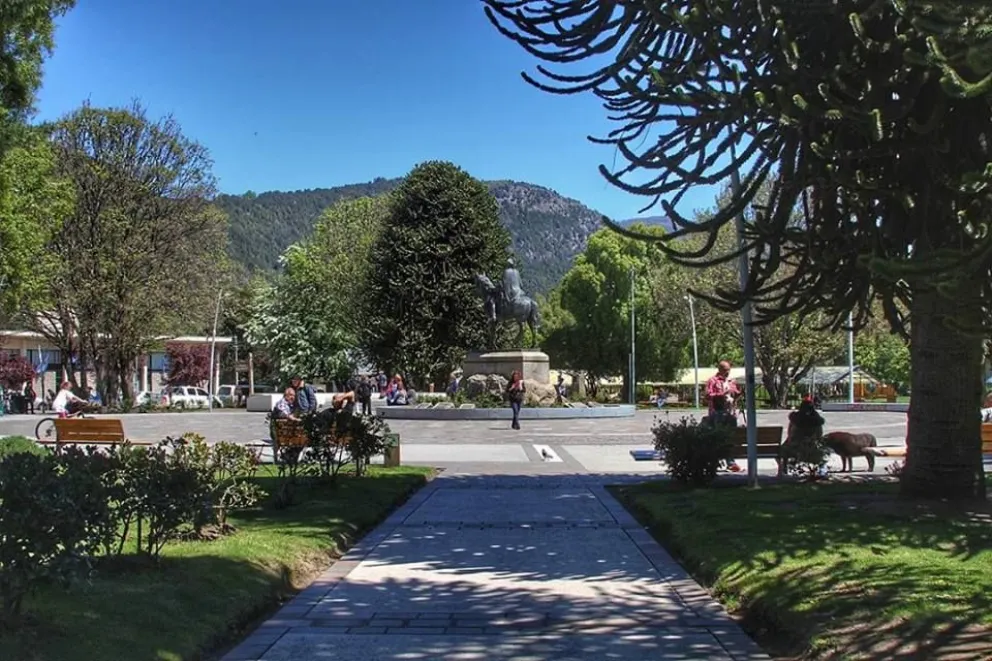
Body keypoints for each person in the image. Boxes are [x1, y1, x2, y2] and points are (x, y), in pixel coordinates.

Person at [705, 361, 742, 472]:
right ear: (720, 369)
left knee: (730, 438)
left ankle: (731, 463)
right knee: (718, 438)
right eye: (725, 370)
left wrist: (737, 394)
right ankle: (715, 462)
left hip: (730, 413)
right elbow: (708, 395)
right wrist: (722, 394)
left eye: (729, 370)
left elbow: (735, 394)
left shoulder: (731, 381)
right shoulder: (712, 381)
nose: (727, 372)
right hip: (717, 413)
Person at [782, 395, 827, 477]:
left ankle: (784, 469)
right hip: (812, 447)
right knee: (821, 452)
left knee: (782, 450)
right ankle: (822, 469)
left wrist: (791, 441)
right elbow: (819, 435)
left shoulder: (795, 419)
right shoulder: (817, 420)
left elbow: (790, 433)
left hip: (795, 446)